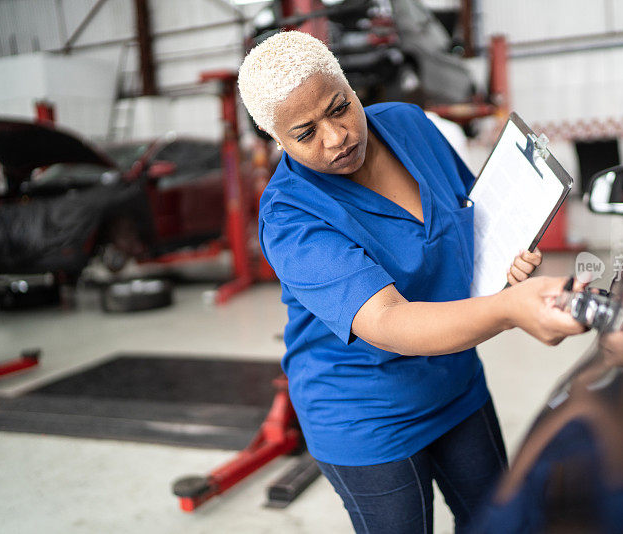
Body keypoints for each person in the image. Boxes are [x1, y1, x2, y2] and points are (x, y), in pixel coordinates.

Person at [237, 31, 585, 534]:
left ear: (351, 87)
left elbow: (474, 214)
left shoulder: (407, 124)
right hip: (364, 413)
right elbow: (385, 319)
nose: (337, 137)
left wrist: (508, 271)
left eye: (339, 108)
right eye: (306, 133)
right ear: (277, 140)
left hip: (454, 381)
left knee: (499, 522)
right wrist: (511, 311)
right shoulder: (290, 216)